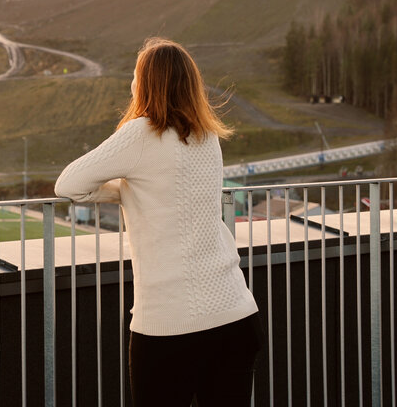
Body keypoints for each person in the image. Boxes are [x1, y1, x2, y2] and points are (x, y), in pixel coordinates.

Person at [55, 37, 261, 406]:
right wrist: (133, 190)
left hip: (170, 327)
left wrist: (124, 190)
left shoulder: (140, 133)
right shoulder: (207, 135)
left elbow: (69, 185)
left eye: (136, 76)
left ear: (147, 83)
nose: (132, 83)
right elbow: (176, 190)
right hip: (236, 315)